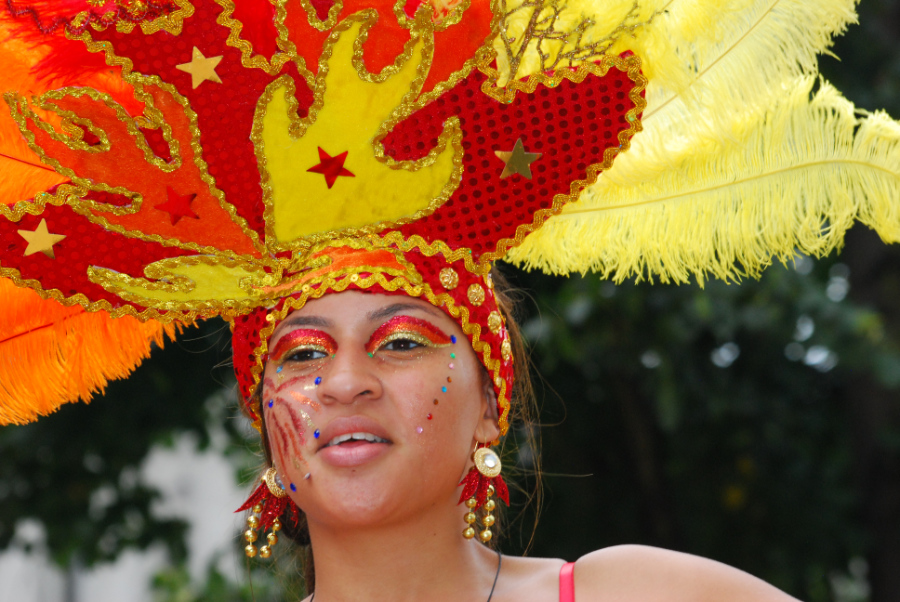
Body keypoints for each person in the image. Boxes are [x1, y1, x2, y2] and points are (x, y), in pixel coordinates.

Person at [0, 0, 896, 600]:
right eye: (302, 353)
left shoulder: (637, 593)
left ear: (488, 407)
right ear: (264, 424)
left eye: (398, 343)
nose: (342, 383)